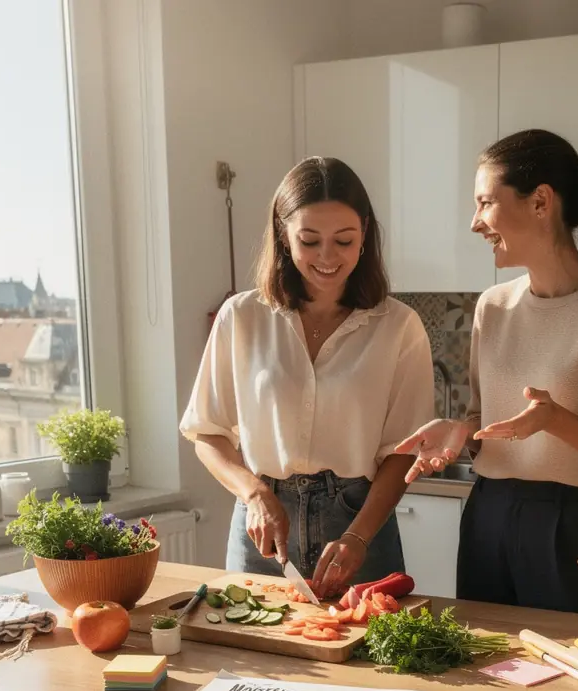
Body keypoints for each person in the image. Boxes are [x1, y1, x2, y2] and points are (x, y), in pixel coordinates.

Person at [396, 129, 578, 615]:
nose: (474, 223)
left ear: (541, 201)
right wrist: (462, 432)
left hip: (574, 524)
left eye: (485, 203)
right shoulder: (493, 306)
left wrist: (555, 421)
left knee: (576, 659)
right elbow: (486, 421)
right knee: (482, 655)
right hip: (487, 514)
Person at [181, 157, 433, 598]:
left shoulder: (399, 326)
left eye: (344, 240)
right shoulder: (241, 317)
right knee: (249, 640)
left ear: (365, 234)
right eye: (310, 240)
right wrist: (254, 493)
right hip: (261, 523)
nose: (327, 257)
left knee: (369, 641)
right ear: (283, 235)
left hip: (360, 524)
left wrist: (358, 536)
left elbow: (403, 452)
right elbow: (207, 433)